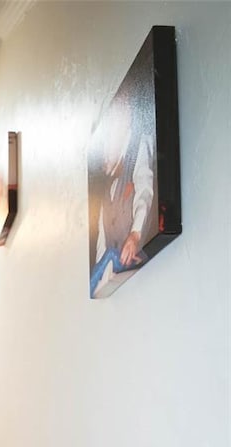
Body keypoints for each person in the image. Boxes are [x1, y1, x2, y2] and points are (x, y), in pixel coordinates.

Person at [89, 90, 155, 297]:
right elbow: (102, 242)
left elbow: (145, 191)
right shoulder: (105, 188)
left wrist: (135, 235)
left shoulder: (139, 146)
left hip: (146, 274)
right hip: (119, 282)